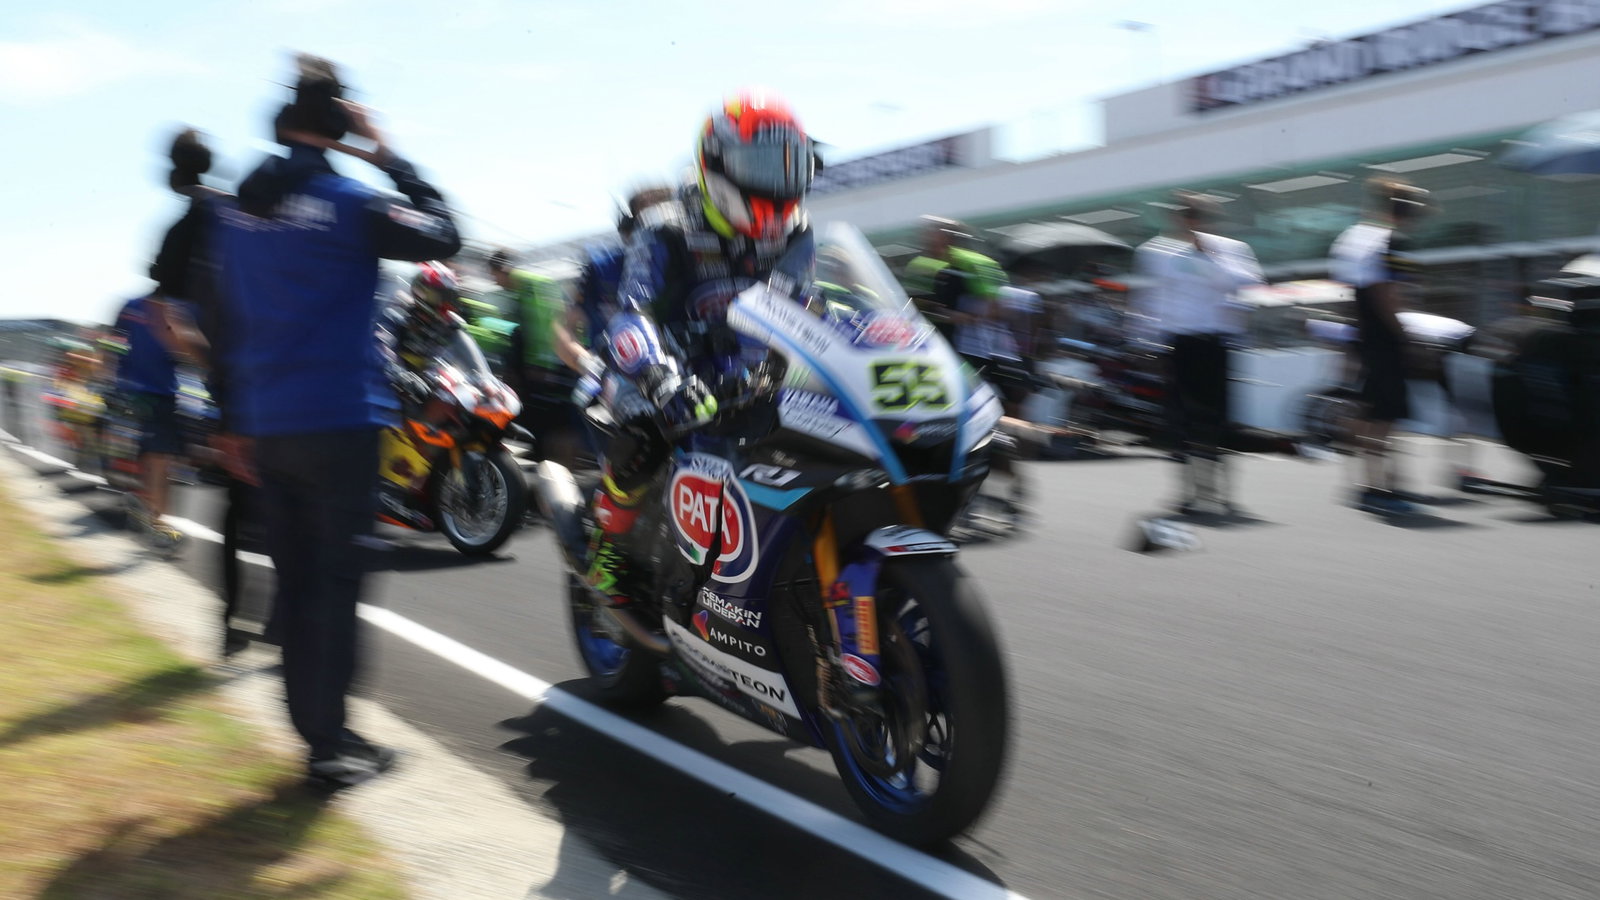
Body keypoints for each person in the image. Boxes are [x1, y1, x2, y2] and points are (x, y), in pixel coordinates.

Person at [213, 54, 460, 788]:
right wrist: (388, 158)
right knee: (337, 586)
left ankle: (322, 734)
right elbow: (444, 234)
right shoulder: (354, 204)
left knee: (297, 587)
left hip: (268, 426)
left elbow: (223, 321)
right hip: (342, 424)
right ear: (338, 126)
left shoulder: (235, 214)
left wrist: (233, 423)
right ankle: (329, 746)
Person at [583, 89, 816, 605]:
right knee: (647, 433)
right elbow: (630, 315)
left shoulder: (797, 235)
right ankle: (605, 547)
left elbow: (809, 309)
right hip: (664, 369)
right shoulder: (664, 228)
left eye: (789, 166)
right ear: (715, 165)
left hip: (750, 378)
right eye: (762, 166)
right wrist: (663, 378)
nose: (778, 185)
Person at [1131, 191, 1264, 516]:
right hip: (1178, 344)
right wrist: (1143, 342)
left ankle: (1219, 493)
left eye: (1201, 215)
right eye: (1189, 214)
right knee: (1181, 422)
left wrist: (1209, 258)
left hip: (1217, 342)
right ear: (1179, 218)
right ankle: (1189, 493)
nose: (1195, 221)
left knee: (1217, 420)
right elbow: (1148, 299)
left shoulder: (1231, 249)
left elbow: (1250, 284)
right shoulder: (1156, 252)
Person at [1330, 177, 1429, 516]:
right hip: (1384, 340)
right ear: (1408, 212)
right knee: (1385, 419)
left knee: (1370, 415)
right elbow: (1387, 292)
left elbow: (1353, 293)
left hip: (1365, 337)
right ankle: (1380, 488)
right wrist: (1402, 333)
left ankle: (1371, 485)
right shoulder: (1394, 240)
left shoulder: (1358, 239)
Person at [109, 290, 205, 550]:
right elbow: (113, 343)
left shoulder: (180, 306)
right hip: (147, 392)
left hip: (161, 392)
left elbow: (113, 343)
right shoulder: (138, 305)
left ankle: (149, 511)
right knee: (159, 459)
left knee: (159, 459)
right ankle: (157, 522)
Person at [487, 247, 580, 464]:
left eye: (494, 274)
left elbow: (541, 325)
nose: (494, 281)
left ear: (503, 269)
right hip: (537, 363)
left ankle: (545, 458)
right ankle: (539, 454)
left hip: (542, 364)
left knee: (538, 413)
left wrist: (540, 364)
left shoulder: (527, 285)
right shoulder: (521, 287)